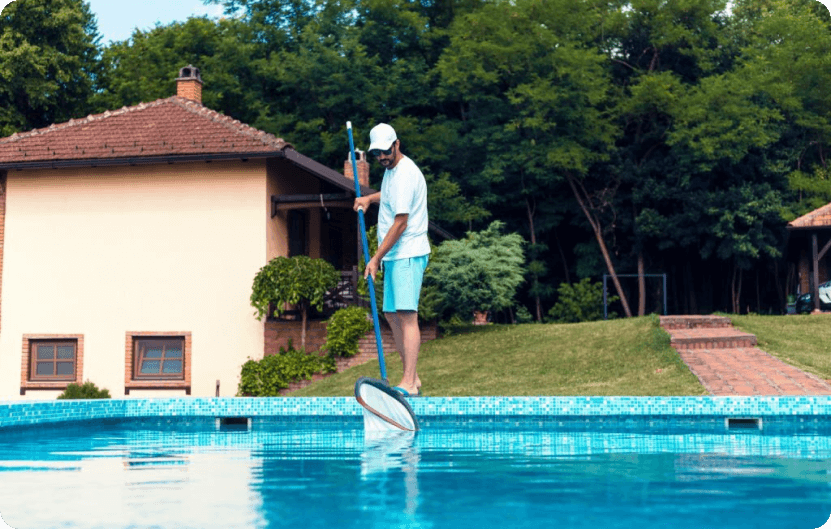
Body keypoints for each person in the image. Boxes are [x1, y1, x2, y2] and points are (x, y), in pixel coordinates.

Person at [353, 123, 430, 397]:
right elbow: (389, 196)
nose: (382, 157)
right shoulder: (391, 172)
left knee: (407, 314)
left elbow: (400, 223)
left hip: (407, 251)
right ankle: (413, 376)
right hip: (396, 255)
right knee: (391, 314)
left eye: (386, 151)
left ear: (397, 144)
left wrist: (375, 258)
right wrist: (369, 200)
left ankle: (409, 382)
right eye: (377, 154)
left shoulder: (406, 173)